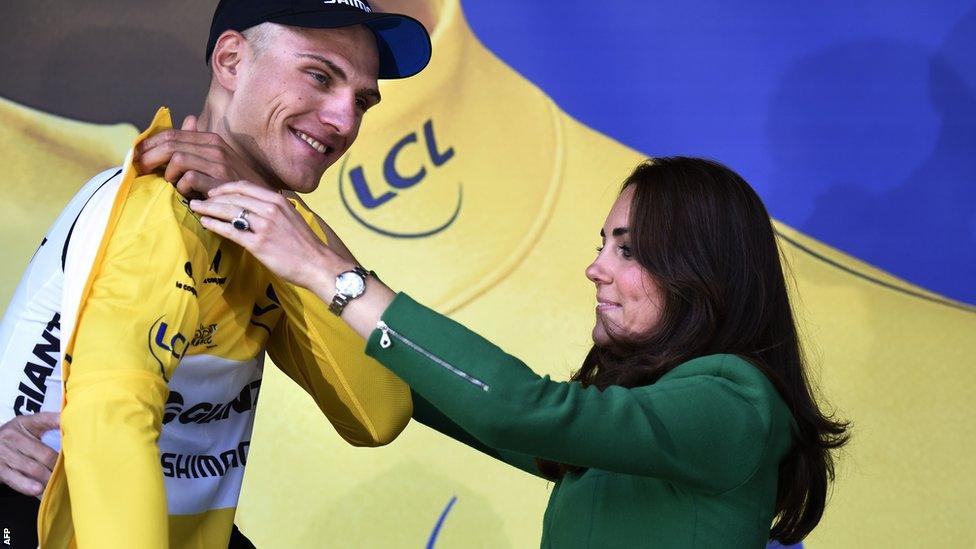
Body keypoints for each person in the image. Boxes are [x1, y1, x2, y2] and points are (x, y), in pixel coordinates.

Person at [194, 156, 851, 547]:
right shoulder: (634, 432)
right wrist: (296, 245)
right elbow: (437, 386)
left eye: (626, 248)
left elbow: (512, 407)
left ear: (700, 268)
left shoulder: (735, 401)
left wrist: (326, 273)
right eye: (603, 243)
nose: (595, 268)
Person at [0, 0, 431, 547]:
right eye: (320, 77)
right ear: (230, 62)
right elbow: (112, 425)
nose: (345, 121)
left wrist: (280, 218)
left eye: (362, 102)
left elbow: (378, 412)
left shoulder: (258, 227)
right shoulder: (162, 205)